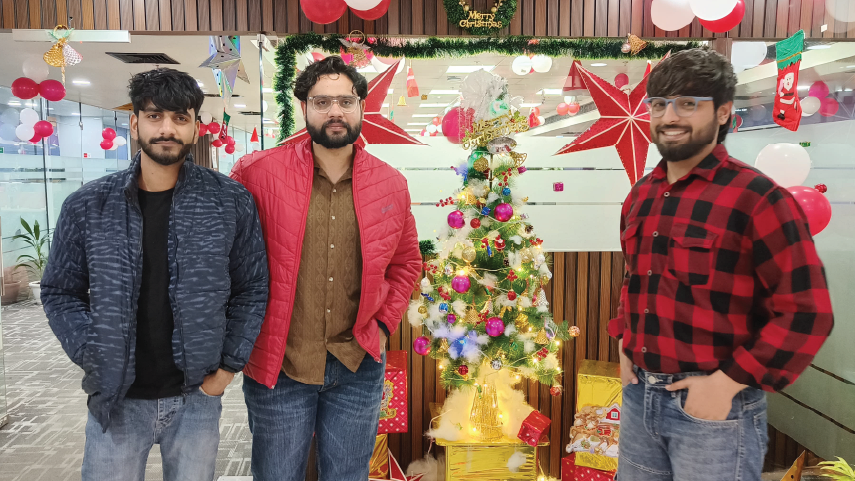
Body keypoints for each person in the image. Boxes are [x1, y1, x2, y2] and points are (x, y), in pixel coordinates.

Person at [609, 49, 834, 481]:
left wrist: (728, 383)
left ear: (724, 111)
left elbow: (808, 312)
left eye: (688, 104)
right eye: (659, 104)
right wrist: (624, 340)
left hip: (716, 409)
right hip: (640, 399)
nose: (669, 116)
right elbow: (638, 278)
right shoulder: (642, 195)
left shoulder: (758, 197)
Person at [41, 68, 269, 481]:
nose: (167, 128)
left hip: (197, 397)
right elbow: (60, 292)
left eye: (180, 118)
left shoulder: (230, 202)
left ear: (196, 128)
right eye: (154, 116)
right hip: (116, 398)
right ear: (134, 124)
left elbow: (252, 287)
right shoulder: (88, 206)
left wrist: (228, 369)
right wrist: (90, 352)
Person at [230, 56, 421, 481]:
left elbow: (407, 263)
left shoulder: (391, 183)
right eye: (322, 101)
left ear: (361, 107)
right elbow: (231, 259)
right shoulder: (257, 174)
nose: (335, 110)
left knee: (349, 476)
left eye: (345, 100)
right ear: (304, 108)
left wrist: (385, 326)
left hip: (357, 365)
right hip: (280, 365)